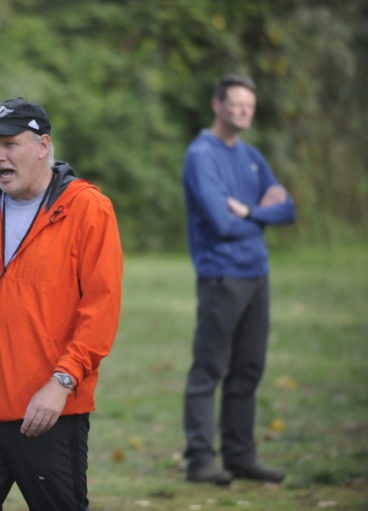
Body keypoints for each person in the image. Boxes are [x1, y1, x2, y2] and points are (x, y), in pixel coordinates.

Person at [0, 97, 123, 510]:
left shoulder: (88, 209)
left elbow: (101, 312)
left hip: (47, 412)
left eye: (9, 145)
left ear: (43, 146)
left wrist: (61, 383)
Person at [181, 74, 296, 485]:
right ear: (217, 105)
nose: (243, 110)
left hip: (257, 274)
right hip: (221, 274)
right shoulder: (201, 155)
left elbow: (289, 210)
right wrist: (258, 215)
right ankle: (199, 459)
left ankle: (240, 455)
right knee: (209, 368)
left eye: (249, 104)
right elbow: (220, 222)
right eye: (236, 104)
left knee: (248, 368)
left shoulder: (251, 156)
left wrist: (248, 213)